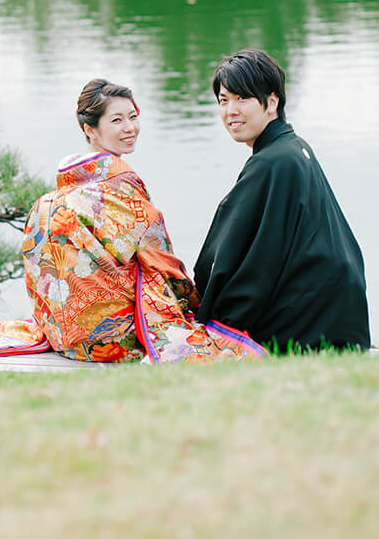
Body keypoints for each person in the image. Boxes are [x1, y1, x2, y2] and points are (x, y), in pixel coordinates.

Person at [23, 78, 266, 363]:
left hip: (59, 332)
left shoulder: (58, 193)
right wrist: (197, 304)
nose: (129, 128)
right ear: (90, 129)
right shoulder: (119, 185)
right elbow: (161, 259)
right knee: (157, 281)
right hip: (106, 337)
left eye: (133, 117)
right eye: (117, 120)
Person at [193, 49, 370, 352]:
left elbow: (236, 254)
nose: (230, 111)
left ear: (272, 102)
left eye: (242, 98)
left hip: (310, 321)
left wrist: (205, 310)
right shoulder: (293, 148)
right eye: (224, 100)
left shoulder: (271, 163)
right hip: (337, 311)